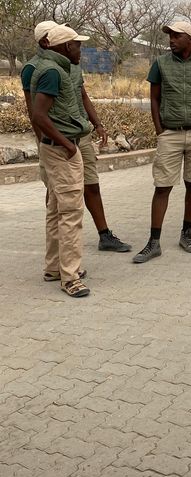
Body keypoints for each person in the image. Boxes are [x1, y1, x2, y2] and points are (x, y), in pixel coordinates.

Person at [21, 20, 132, 253]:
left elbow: (82, 95)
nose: (72, 45)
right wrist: (47, 143)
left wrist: (98, 124)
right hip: (56, 139)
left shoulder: (71, 64)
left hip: (78, 136)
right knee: (57, 195)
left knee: (91, 184)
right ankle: (61, 250)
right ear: (46, 41)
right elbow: (35, 112)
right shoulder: (35, 68)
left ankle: (105, 235)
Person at [132, 21, 191, 264]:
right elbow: (154, 99)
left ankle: (186, 234)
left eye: (176, 36)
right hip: (169, 134)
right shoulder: (160, 64)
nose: (171, 40)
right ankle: (153, 242)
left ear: (190, 40)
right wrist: (160, 131)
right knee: (162, 186)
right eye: (170, 35)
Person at [30, 25, 93, 297]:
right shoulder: (54, 72)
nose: (81, 49)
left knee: (57, 209)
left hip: (56, 148)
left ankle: (53, 267)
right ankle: (70, 277)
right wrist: (68, 145)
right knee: (71, 213)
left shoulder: (53, 68)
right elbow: (39, 116)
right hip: (61, 150)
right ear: (67, 46)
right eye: (77, 44)